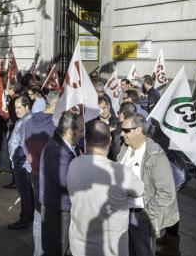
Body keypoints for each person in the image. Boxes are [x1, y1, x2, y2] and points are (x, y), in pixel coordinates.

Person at [67, 120, 144, 256]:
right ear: (109, 139)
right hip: (112, 249)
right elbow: (139, 190)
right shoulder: (120, 172)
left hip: (79, 247)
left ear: (86, 139)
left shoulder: (73, 164)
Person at [119, 113, 179, 256]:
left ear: (139, 130)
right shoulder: (124, 149)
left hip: (141, 215)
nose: (122, 134)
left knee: (143, 251)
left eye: (126, 130)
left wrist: (146, 215)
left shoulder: (156, 156)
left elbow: (167, 193)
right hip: (123, 212)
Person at [40, 112, 84, 256]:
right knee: (57, 248)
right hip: (58, 210)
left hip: (65, 207)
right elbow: (65, 180)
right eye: (81, 131)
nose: (83, 135)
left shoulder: (70, 145)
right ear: (70, 132)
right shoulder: (55, 150)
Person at [23, 91, 59, 256]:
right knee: (51, 215)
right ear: (56, 104)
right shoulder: (54, 126)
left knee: (39, 213)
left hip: (35, 173)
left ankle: (38, 250)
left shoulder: (29, 121)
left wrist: (30, 158)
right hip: (51, 176)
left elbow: (23, 143)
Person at [8, 96, 33, 229]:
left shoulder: (27, 121)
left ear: (27, 107)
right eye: (15, 108)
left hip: (22, 163)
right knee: (26, 192)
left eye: (19, 107)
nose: (16, 110)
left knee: (24, 192)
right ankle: (29, 216)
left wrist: (18, 159)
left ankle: (25, 219)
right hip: (20, 162)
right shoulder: (22, 120)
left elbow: (24, 144)